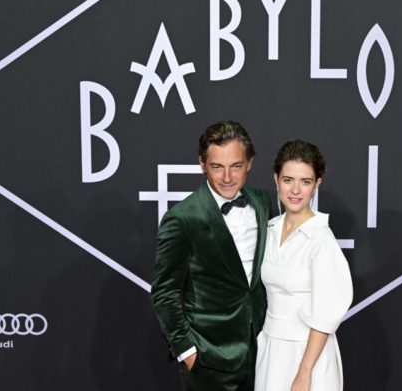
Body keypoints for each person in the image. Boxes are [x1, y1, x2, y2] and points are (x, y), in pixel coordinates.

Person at [151, 120, 271, 390]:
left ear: (250, 163)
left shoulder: (263, 202)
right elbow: (164, 292)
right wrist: (187, 352)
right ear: (202, 164)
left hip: (263, 351)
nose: (227, 177)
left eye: (236, 166)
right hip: (210, 358)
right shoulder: (182, 217)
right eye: (217, 166)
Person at [255, 140, 353, 391]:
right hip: (270, 348)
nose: (296, 190)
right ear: (276, 179)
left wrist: (305, 371)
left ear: (317, 184)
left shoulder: (321, 240)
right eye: (288, 180)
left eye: (306, 182)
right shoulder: (270, 229)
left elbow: (326, 314)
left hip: (307, 354)